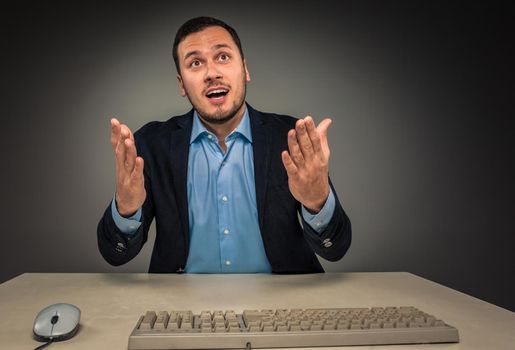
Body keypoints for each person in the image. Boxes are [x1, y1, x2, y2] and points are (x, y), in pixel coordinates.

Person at [97, 16, 351, 274]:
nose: (212, 73)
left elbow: (336, 248)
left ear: (245, 69)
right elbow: (115, 255)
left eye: (223, 57)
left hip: (282, 307)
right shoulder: (152, 144)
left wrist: (317, 201)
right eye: (195, 63)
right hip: (183, 307)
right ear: (182, 84)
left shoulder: (291, 138)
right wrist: (126, 209)